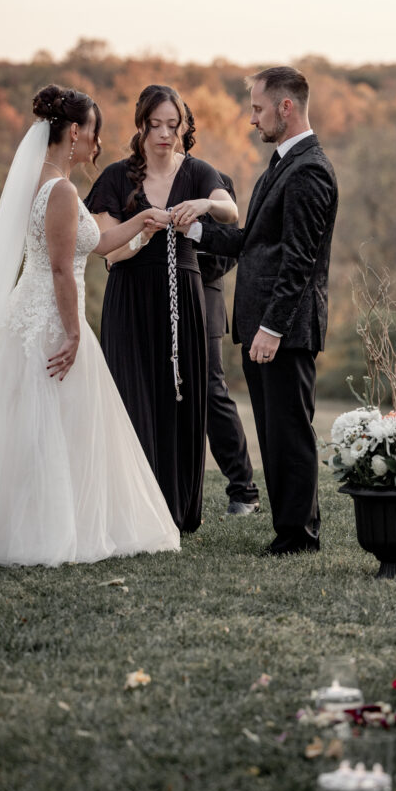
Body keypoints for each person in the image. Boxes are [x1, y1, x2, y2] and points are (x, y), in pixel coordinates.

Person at [0, 85, 179, 566]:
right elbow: (64, 269)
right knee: (53, 429)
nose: (97, 144)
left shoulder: (42, 182)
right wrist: (73, 333)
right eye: (94, 133)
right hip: (50, 320)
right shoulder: (62, 191)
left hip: (29, 313)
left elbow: (97, 242)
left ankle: (28, 524)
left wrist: (142, 222)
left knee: (38, 429)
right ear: (73, 132)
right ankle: (48, 532)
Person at [171, 67, 338, 556]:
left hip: (283, 328)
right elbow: (251, 242)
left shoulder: (309, 169)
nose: (251, 119)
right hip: (265, 326)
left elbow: (300, 260)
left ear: (286, 107)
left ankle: (297, 538)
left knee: (289, 431)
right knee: (276, 430)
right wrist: (195, 228)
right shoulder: (282, 163)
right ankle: (297, 524)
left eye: (257, 109)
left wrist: (272, 328)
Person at [85, 85, 237, 532]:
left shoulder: (198, 172)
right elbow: (106, 251)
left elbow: (230, 211)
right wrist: (143, 233)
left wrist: (206, 203)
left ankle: (177, 509)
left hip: (183, 298)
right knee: (133, 398)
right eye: (155, 125)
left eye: (174, 125)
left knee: (183, 398)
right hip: (130, 296)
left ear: (184, 128)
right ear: (141, 125)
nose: (164, 134)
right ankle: (133, 510)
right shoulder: (116, 178)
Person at [181, 104, 259, 516]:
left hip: (204, 297)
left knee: (212, 392)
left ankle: (243, 489)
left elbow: (230, 253)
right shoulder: (139, 181)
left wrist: (189, 260)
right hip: (152, 302)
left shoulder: (214, 181)